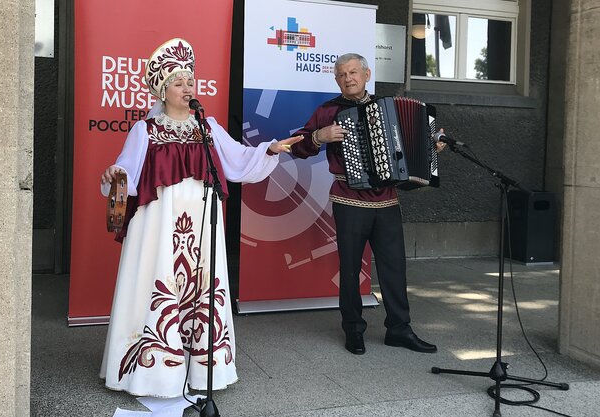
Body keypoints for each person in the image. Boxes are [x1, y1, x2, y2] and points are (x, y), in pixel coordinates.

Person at [98, 38, 301, 398]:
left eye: (190, 81)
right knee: (159, 282)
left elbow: (237, 161)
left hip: (203, 221)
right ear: (162, 89)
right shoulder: (145, 130)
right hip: (160, 223)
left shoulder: (207, 128)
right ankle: (155, 372)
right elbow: (126, 173)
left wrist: (268, 149)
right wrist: (116, 173)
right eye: (178, 82)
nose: (187, 87)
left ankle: (200, 368)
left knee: (202, 287)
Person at [290, 53, 445, 355]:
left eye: (353, 72)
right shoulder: (328, 110)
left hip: (387, 200)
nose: (347, 78)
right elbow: (297, 146)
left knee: (394, 267)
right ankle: (353, 329)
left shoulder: (388, 108)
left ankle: (399, 329)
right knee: (350, 269)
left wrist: (431, 148)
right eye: (341, 74)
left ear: (366, 74)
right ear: (336, 79)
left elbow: (408, 155)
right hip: (348, 198)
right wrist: (319, 137)